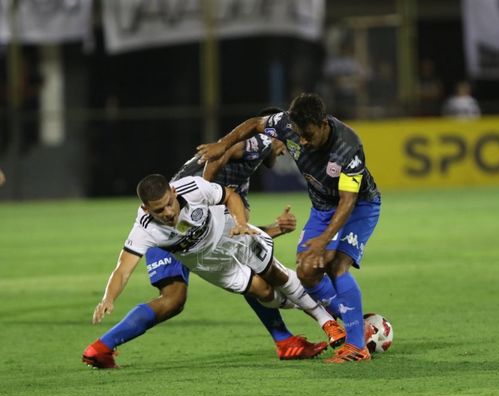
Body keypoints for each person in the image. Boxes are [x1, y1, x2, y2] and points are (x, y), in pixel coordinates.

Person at [83, 111, 341, 368]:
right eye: (287, 143)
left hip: (198, 238)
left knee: (182, 298)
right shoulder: (259, 145)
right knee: (181, 297)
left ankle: (101, 348)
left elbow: (232, 231)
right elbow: (229, 150)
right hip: (174, 237)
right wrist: (204, 185)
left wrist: (271, 228)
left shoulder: (240, 181)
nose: (286, 151)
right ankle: (318, 325)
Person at [197, 93, 381, 363]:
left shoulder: (347, 146)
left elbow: (347, 201)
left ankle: (356, 346)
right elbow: (254, 123)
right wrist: (221, 145)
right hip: (322, 207)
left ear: (322, 124)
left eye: (307, 135)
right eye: (298, 135)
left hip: (359, 207)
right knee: (306, 271)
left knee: (336, 264)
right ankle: (354, 320)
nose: (302, 142)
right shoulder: (286, 123)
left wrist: (325, 239)